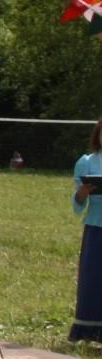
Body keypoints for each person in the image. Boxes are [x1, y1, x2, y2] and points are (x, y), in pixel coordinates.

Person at [65, 119, 102, 342]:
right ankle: (89, 330)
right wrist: (83, 192)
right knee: (93, 277)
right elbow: (78, 204)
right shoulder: (86, 162)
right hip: (96, 226)